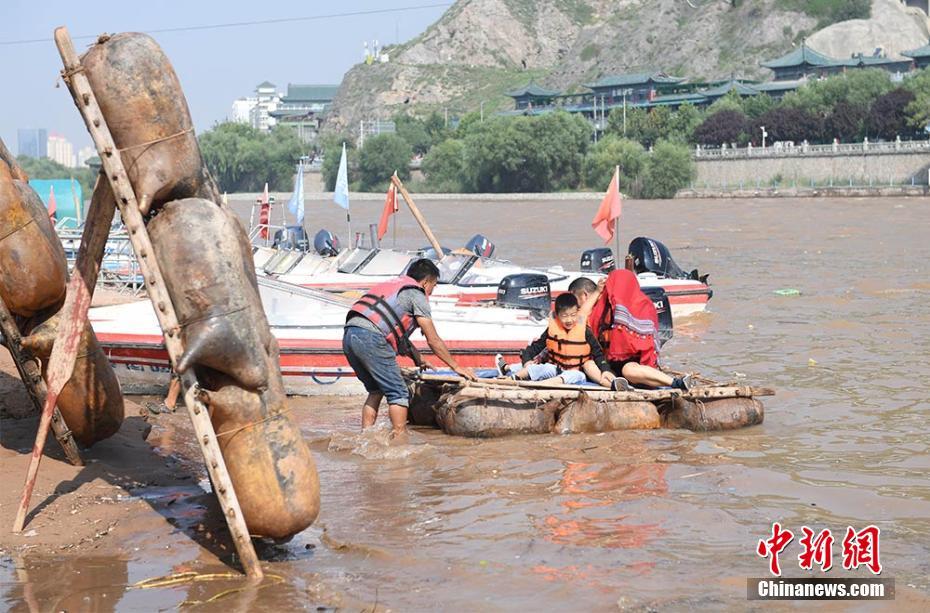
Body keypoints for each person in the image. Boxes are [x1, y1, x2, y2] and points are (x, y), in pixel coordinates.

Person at [343, 258, 477, 436]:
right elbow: (433, 340)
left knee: (376, 390)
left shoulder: (396, 286)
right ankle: (400, 439)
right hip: (371, 337)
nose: (432, 291)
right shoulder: (417, 294)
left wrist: (418, 359)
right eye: (434, 285)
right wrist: (457, 367)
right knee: (398, 392)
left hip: (349, 335)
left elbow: (394, 331)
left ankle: (365, 438)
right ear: (426, 282)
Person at [571, 271, 691, 391]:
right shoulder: (600, 309)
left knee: (628, 370)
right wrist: (598, 292)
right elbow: (580, 319)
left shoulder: (644, 306)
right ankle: (615, 385)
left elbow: (649, 347)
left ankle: (675, 383)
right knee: (588, 364)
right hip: (607, 366)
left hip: (634, 366)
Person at [496, 293, 615, 387]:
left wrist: (605, 370)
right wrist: (527, 361)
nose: (569, 320)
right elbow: (534, 348)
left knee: (574, 375)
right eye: (564, 316)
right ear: (557, 316)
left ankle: (542, 385)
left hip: (576, 372)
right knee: (543, 367)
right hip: (555, 369)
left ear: (577, 313)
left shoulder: (585, 331)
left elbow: (599, 355)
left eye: (573, 315)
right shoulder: (552, 329)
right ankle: (511, 378)